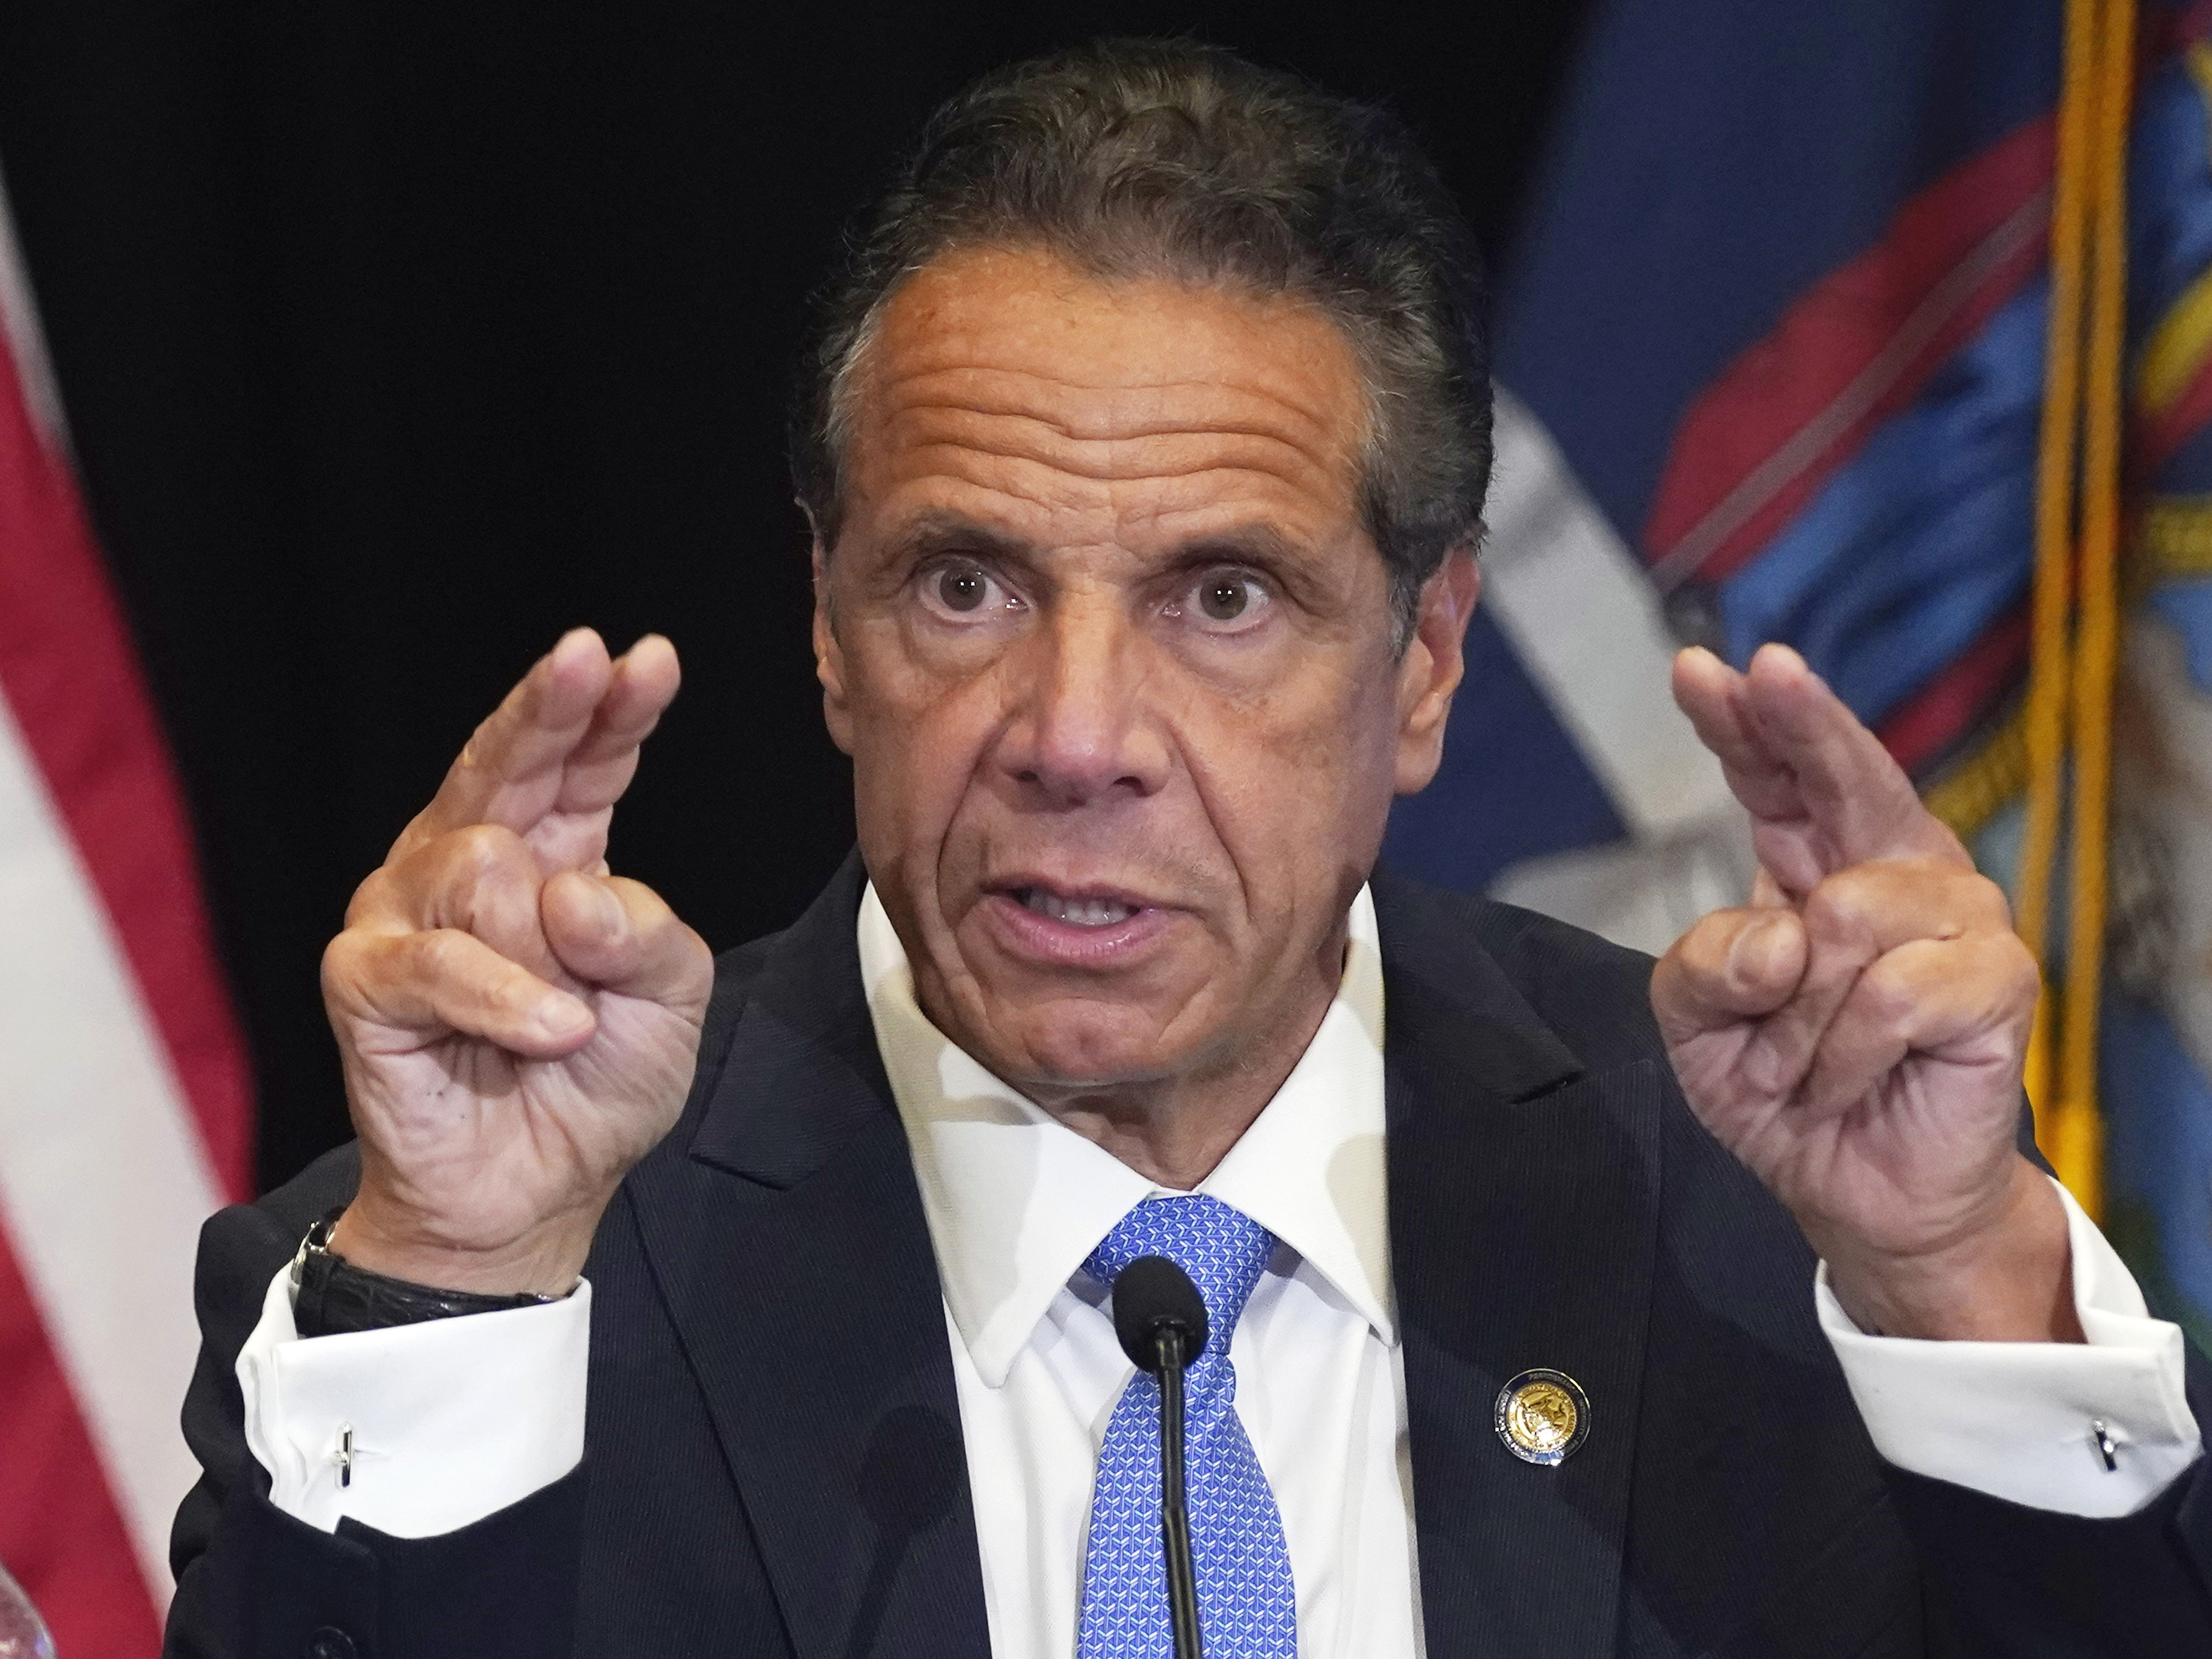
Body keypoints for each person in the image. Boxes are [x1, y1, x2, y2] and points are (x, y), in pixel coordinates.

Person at [165, 40, 2212, 1659]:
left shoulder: (1754, 1226)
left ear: (1423, 664)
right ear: (827, 629)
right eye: (964, 586)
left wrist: (1956, 1282)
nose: (1072, 736)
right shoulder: (491, 1272)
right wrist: (461, 1285)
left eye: (1221, 598)